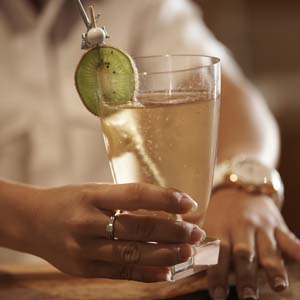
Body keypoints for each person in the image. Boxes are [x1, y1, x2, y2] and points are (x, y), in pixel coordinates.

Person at [0, 0, 299, 299]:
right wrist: (26, 220)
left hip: (139, 287)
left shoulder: (142, 7)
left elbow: (236, 103)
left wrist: (238, 182)